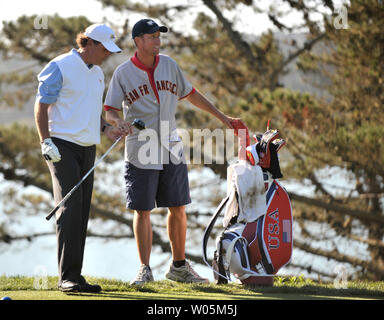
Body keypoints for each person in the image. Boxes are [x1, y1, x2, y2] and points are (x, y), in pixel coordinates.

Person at [104, 18, 244, 285]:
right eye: (152, 36)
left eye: (159, 36)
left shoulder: (169, 64)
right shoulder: (122, 73)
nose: (158, 41)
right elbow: (110, 110)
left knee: (178, 206)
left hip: (171, 145)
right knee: (143, 210)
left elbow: (191, 93)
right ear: (138, 41)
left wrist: (222, 117)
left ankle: (179, 267)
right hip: (140, 148)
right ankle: (145, 269)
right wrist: (117, 121)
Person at [34, 23, 126, 293]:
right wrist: (45, 141)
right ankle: (66, 278)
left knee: (82, 209)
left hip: (88, 148)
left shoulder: (97, 73)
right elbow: (41, 105)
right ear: (91, 44)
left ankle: (76, 274)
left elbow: (88, 110)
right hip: (61, 145)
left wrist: (106, 128)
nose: (108, 55)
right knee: (70, 206)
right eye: (105, 49)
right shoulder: (60, 65)